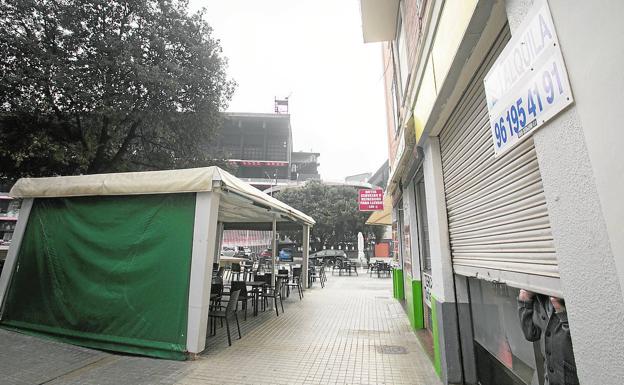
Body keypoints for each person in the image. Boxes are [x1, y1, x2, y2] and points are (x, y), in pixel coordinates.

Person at [518, 289, 580, 385]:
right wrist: (524, 299)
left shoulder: (571, 295)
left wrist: (563, 314)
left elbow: (586, 344)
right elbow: (531, 334)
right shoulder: (538, 295)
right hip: (550, 379)